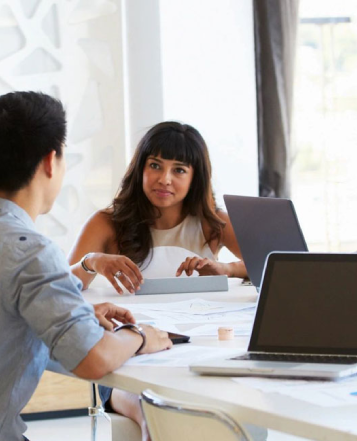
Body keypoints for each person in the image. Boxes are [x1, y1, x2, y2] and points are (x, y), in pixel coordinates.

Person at [0, 91, 173, 441]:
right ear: (50, 161)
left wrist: (79, 316)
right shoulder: (29, 250)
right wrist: (139, 337)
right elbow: (93, 360)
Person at [67, 121, 247, 434]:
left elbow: (273, 264)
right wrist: (92, 261)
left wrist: (227, 269)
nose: (164, 179)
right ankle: (152, 427)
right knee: (147, 404)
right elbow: (62, 287)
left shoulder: (212, 223)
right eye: (155, 166)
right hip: (129, 354)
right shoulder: (106, 223)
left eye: (179, 170)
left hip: (195, 349)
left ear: (195, 177)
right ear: (140, 169)